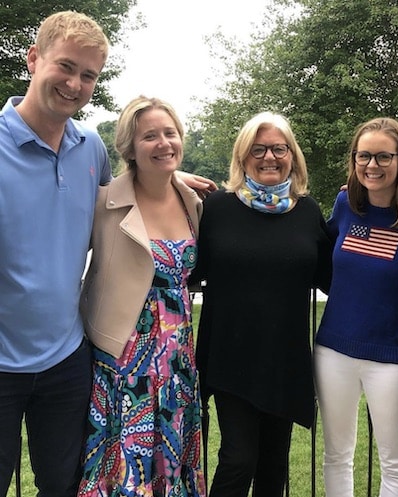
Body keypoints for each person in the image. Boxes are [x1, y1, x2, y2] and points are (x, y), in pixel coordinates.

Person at [0, 12, 215, 497]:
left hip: (67, 360)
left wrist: (170, 175)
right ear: (33, 59)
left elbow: (125, 196)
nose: (75, 84)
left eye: (89, 75)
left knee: (66, 483)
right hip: (4, 363)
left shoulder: (88, 148)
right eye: (66, 66)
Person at [192, 111, 333, 497]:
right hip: (230, 355)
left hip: (284, 360)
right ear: (242, 157)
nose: (269, 157)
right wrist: (172, 181)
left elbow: (333, 276)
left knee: (274, 467)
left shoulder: (306, 211)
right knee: (239, 459)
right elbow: (185, 268)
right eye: (258, 149)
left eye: (278, 148)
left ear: (293, 156)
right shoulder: (216, 208)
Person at [77, 95, 205, 496]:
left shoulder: (193, 201)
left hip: (179, 362)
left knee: (173, 461)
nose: (163, 143)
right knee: (125, 468)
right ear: (129, 147)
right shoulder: (103, 203)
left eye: (170, 133)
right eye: (150, 136)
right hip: (124, 361)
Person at [314, 118, 398, 497]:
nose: (372, 165)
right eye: (363, 156)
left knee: (396, 462)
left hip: (392, 355)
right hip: (333, 349)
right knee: (336, 455)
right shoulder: (345, 204)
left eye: (383, 156)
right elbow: (325, 259)